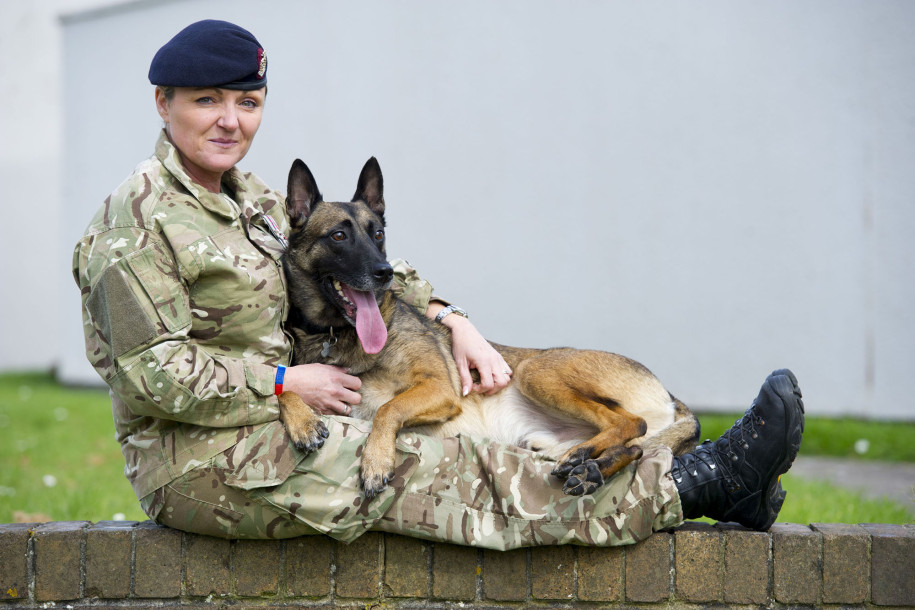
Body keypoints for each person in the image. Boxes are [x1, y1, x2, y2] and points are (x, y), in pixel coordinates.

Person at [73, 20, 804, 548]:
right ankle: (702, 483)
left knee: (473, 449)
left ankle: (697, 478)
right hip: (201, 460)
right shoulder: (136, 222)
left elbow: (379, 272)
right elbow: (150, 376)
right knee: (452, 478)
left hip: (287, 415)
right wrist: (281, 380)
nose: (230, 121)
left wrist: (453, 318)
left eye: (247, 102)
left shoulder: (253, 198)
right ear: (163, 103)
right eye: (206, 101)